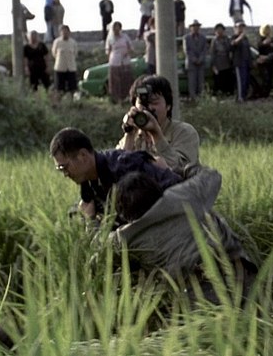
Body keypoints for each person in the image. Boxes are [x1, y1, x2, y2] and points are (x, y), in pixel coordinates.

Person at [111, 168, 256, 305]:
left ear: (124, 213)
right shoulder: (183, 194)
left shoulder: (124, 237)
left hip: (198, 297)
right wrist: (178, 169)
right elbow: (212, 175)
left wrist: (98, 219)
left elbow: (100, 250)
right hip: (240, 274)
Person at [50, 127, 181, 222]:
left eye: (64, 167)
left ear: (83, 155)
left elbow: (173, 190)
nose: (65, 174)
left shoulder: (124, 167)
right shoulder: (89, 182)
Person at [118, 74, 201, 174]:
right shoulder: (134, 136)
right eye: (142, 103)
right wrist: (129, 134)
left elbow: (181, 170)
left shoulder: (184, 132)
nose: (148, 109)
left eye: (154, 103)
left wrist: (156, 133)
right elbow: (117, 169)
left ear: (168, 105)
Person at [106, 21, 134, 103]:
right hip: (115, 61)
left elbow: (131, 47)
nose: (116, 30)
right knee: (115, 81)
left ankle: (127, 97)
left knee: (126, 79)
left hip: (125, 61)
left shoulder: (125, 37)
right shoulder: (110, 38)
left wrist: (127, 52)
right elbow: (108, 50)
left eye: (118, 28)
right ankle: (116, 98)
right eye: (115, 28)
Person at [51, 25, 79, 101]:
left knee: (73, 88)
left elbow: (75, 54)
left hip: (71, 68)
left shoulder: (73, 42)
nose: (65, 33)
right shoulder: (57, 42)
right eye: (63, 32)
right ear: (60, 33)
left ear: (69, 32)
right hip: (60, 68)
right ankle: (58, 103)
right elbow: (54, 53)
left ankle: (72, 102)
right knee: (59, 88)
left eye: (66, 32)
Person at [184, 20, 208, 100]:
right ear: (190, 28)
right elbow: (186, 50)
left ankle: (201, 97)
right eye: (193, 26)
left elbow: (205, 50)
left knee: (201, 81)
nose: (195, 28)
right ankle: (193, 98)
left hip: (201, 63)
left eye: (197, 26)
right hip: (191, 63)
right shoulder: (186, 38)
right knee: (192, 82)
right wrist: (194, 59)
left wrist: (200, 59)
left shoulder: (203, 38)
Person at [209, 23, 234, 96]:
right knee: (219, 82)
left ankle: (228, 95)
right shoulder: (214, 41)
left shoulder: (227, 39)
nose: (220, 31)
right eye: (218, 30)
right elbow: (212, 54)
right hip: (218, 65)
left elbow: (230, 49)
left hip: (227, 63)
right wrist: (213, 65)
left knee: (228, 81)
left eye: (221, 30)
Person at [230, 21, 252, 102]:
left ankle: (244, 96)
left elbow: (248, 50)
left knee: (246, 81)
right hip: (239, 63)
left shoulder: (245, 39)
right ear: (235, 28)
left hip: (246, 63)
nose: (241, 29)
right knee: (240, 82)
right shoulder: (233, 37)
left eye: (242, 27)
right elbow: (232, 45)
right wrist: (240, 37)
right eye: (239, 27)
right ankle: (240, 98)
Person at [254, 23, 273, 99]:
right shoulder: (260, 40)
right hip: (263, 63)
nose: (267, 31)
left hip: (271, 62)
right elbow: (259, 47)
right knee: (265, 79)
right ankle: (264, 95)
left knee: (270, 79)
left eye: (268, 29)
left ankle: (267, 94)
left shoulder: (272, 40)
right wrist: (265, 43)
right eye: (266, 30)